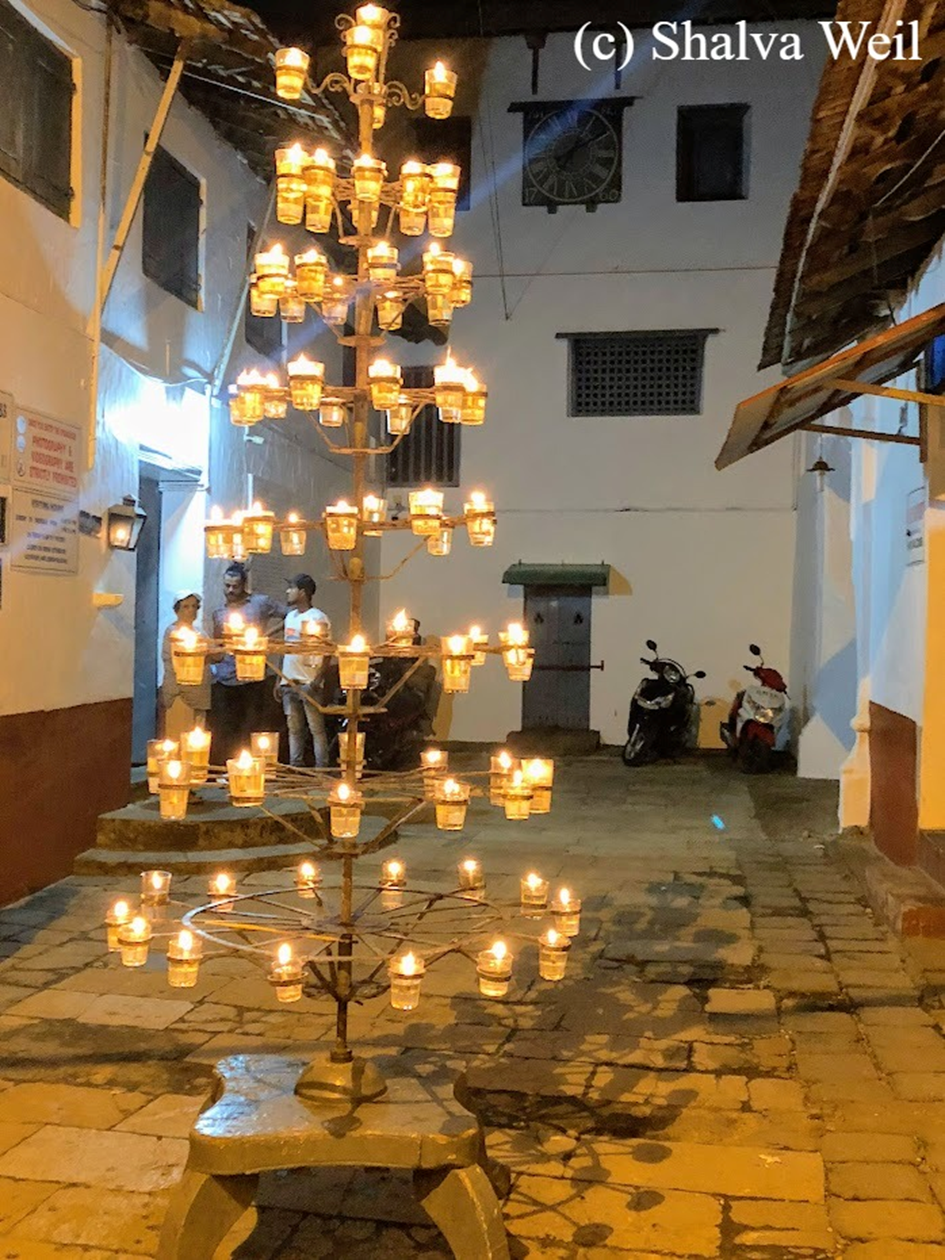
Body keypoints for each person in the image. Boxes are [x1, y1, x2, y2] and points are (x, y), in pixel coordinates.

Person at [209, 563, 285, 761]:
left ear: (244, 585)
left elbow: (290, 615)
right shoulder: (219, 612)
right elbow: (218, 642)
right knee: (226, 726)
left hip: (253, 678)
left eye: (235, 586)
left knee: (251, 725)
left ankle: (248, 765)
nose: (230, 591)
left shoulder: (260, 603)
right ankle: (228, 766)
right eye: (227, 586)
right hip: (225, 677)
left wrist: (265, 637)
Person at [278, 574, 331, 767]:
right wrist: (280, 679)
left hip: (309, 682)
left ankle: (321, 769)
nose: (288, 592)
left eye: (291, 588)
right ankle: (295, 766)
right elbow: (284, 649)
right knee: (294, 729)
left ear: (302, 592)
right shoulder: (290, 617)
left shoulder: (317, 617)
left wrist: (317, 681)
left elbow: (327, 651)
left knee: (316, 728)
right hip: (289, 681)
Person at [160, 591, 210, 740]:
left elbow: (214, 655)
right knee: (180, 736)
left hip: (200, 693)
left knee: (198, 738)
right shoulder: (173, 632)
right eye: (186, 607)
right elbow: (180, 659)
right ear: (177, 610)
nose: (191, 610)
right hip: (180, 694)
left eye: (194, 606)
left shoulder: (200, 632)